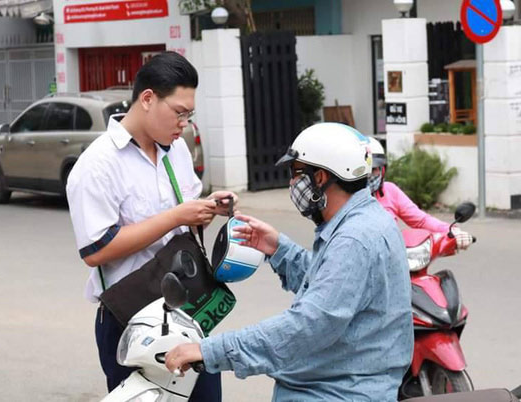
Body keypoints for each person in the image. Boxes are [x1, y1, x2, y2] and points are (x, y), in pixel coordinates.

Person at [165, 123, 413, 401]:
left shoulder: (354, 239)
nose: (292, 184)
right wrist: (278, 248)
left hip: (332, 392)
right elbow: (332, 286)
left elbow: (309, 325)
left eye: (296, 173)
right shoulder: (366, 220)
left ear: (320, 177)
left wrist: (210, 350)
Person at [66, 51, 234, 400]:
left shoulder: (177, 151)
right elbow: (96, 251)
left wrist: (207, 209)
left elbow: (183, 224)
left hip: (186, 312)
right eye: (179, 112)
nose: (183, 123)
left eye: (189, 115)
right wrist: (177, 216)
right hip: (131, 319)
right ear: (147, 99)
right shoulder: (97, 164)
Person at [367, 137, 473, 249]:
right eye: (364, 170)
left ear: (383, 169)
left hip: (392, 255)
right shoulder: (351, 197)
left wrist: (452, 232)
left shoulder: (389, 190)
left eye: (373, 169)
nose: (369, 175)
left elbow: (421, 221)